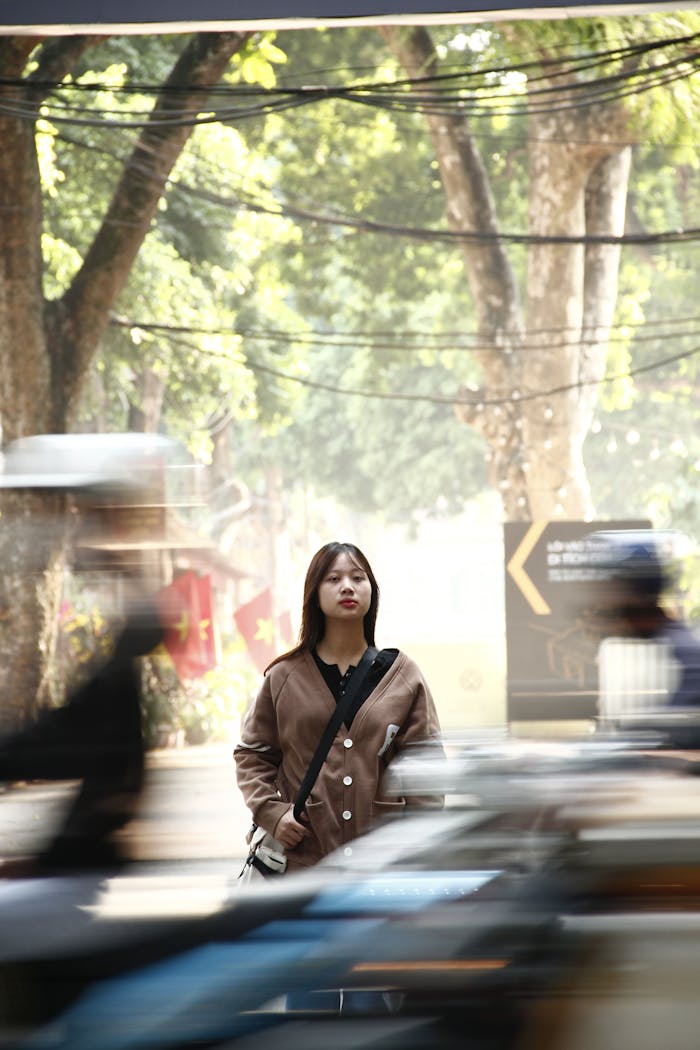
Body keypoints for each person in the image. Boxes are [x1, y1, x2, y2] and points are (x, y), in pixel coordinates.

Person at [234, 541, 443, 875]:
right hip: (302, 864)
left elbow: (426, 768)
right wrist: (272, 813)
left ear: (371, 591)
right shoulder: (284, 676)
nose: (347, 586)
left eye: (358, 578)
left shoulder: (403, 675)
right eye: (333, 579)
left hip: (382, 866)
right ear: (314, 593)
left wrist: (418, 848)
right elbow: (252, 756)